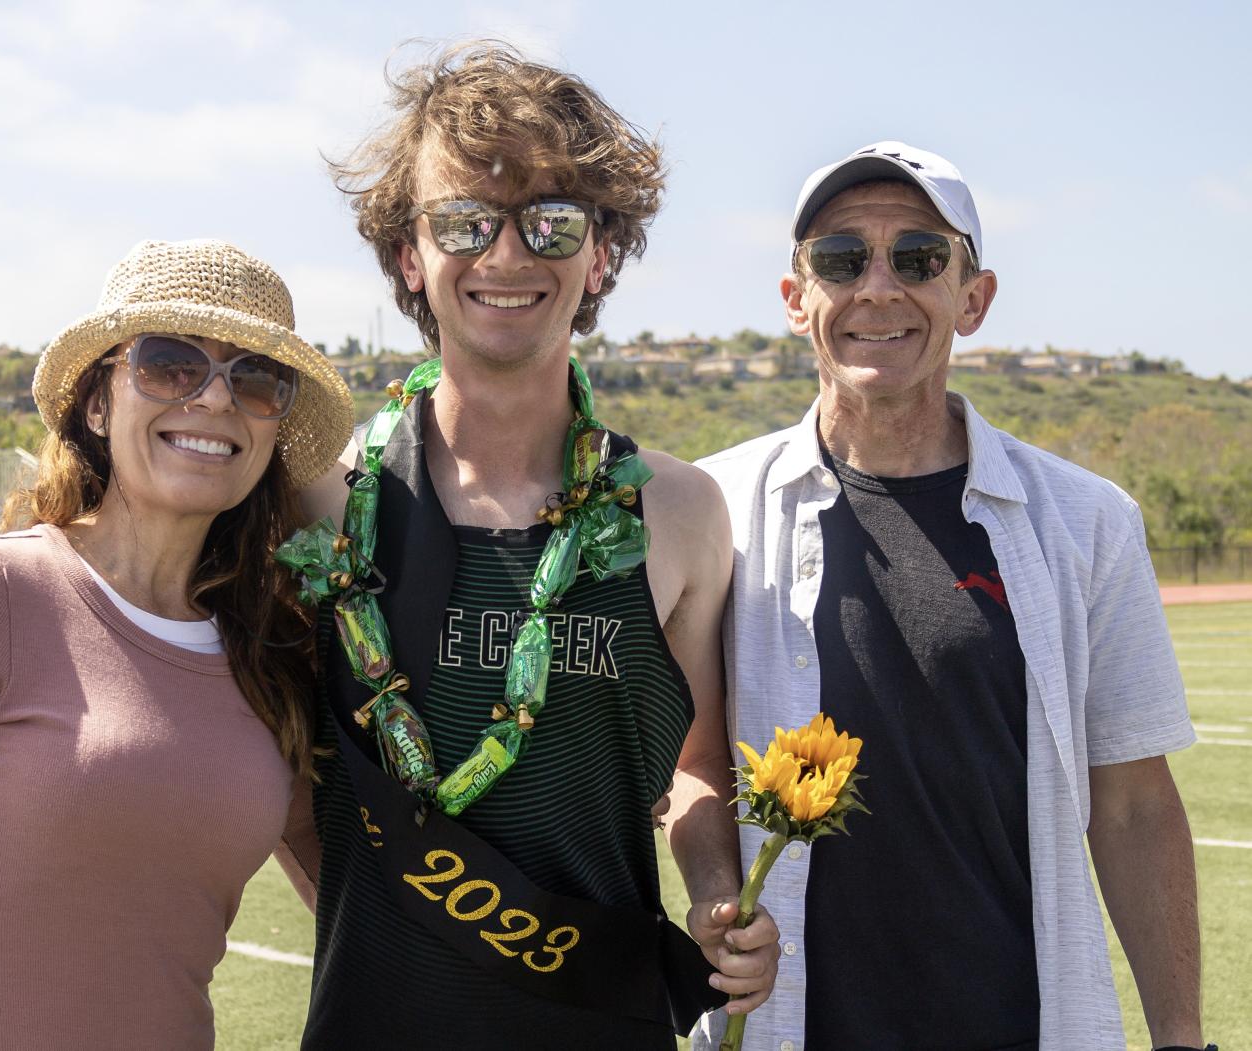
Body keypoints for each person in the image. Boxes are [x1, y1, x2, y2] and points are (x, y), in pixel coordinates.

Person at [276, 42, 779, 1050]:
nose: (507, 256)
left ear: (601, 254)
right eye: (463, 220)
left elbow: (692, 764)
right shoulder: (315, 509)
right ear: (407, 257)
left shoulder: (679, 513)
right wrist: (419, 921)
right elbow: (284, 774)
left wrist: (719, 896)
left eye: (551, 220)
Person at [694, 142, 1208, 1051]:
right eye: (840, 258)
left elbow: (1132, 806)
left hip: (1022, 1025)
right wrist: (712, 896)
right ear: (795, 299)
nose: (878, 288)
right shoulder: (712, 512)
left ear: (972, 297)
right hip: (788, 1028)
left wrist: (1178, 1037)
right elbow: (688, 766)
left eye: (920, 257)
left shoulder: (1088, 520)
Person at [0, 239, 353, 1049]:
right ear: (97, 403)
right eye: (169, 364)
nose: (212, 400)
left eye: (256, 379)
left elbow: (364, 906)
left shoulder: (269, 658)